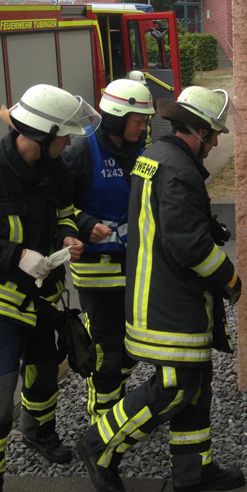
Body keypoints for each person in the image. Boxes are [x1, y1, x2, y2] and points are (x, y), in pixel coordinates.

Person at [77, 86, 244, 492]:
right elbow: (189, 244)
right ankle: (99, 444)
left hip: (158, 293)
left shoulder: (153, 157)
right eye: (214, 134)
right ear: (198, 131)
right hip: (170, 302)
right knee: (175, 383)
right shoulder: (178, 169)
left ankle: (193, 469)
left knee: (197, 383)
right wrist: (229, 278)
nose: (217, 143)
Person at [0, 84, 101, 492]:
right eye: (65, 135)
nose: (70, 143)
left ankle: (38, 431)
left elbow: (65, 213)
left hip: (43, 294)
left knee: (42, 368)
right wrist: (16, 255)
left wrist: (67, 237)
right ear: (40, 133)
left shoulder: (53, 168)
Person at [62, 79, 154, 423]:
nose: (143, 128)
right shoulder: (81, 151)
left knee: (135, 346)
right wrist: (85, 224)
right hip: (96, 272)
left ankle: (117, 403)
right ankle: (103, 425)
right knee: (107, 350)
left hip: (134, 266)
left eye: (145, 121)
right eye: (138, 121)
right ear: (116, 117)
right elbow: (57, 206)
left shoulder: (139, 151)